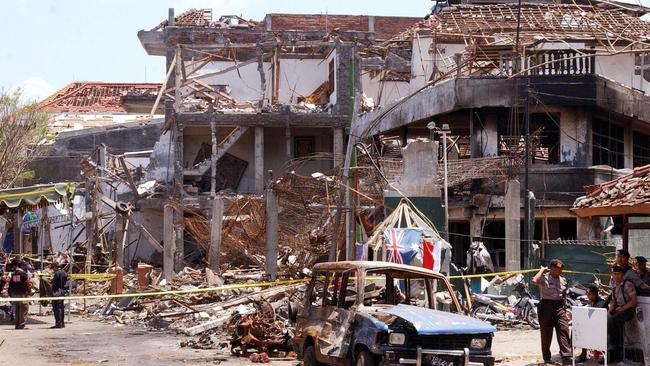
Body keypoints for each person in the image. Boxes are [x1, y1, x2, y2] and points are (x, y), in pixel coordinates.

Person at [532, 259, 571, 365]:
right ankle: (547, 357)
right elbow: (534, 281)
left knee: (564, 331)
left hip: (559, 307)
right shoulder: (544, 277)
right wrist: (541, 271)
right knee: (546, 334)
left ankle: (567, 357)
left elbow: (564, 297)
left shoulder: (563, 279)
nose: (560, 271)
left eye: (561, 269)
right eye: (558, 269)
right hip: (546, 307)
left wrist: (566, 310)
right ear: (552, 268)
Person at [608, 265, 637, 363]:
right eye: (615, 274)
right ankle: (612, 348)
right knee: (607, 318)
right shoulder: (614, 286)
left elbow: (633, 302)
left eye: (619, 274)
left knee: (614, 320)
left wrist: (622, 308)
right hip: (620, 309)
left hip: (629, 309)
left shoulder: (627, 284)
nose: (617, 276)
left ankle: (614, 344)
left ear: (623, 275)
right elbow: (614, 302)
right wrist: (609, 311)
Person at [577, 285, 607, 362]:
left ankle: (583, 354)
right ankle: (582, 354)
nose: (588, 296)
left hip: (601, 330)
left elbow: (595, 317)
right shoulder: (593, 301)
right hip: (595, 327)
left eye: (590, 294)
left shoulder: (600, 303)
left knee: (583, 331)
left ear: (595, 294)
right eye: (587, 293)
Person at [7, 260, 32, 329]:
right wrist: (30, 291)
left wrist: (11, 292)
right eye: (25, 265)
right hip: (23, 294)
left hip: (16, 294)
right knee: (23, 310)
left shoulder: (15, 274)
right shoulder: (23, 274)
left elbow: (14, 284)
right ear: (22, 266)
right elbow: (27, 284)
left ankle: (17, 324)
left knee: (17, 310)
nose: (26, 267)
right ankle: (22, 325)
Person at [50, 263, 68, 328]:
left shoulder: (57, 273)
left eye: (53, 268)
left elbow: (54, 283)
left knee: (56, 308)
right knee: (61, 308)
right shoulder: (64, 272)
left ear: (55, 267)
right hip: (62, 291)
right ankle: (62, 323)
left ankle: (58, 323)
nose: (53, 270)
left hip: (57, 292)